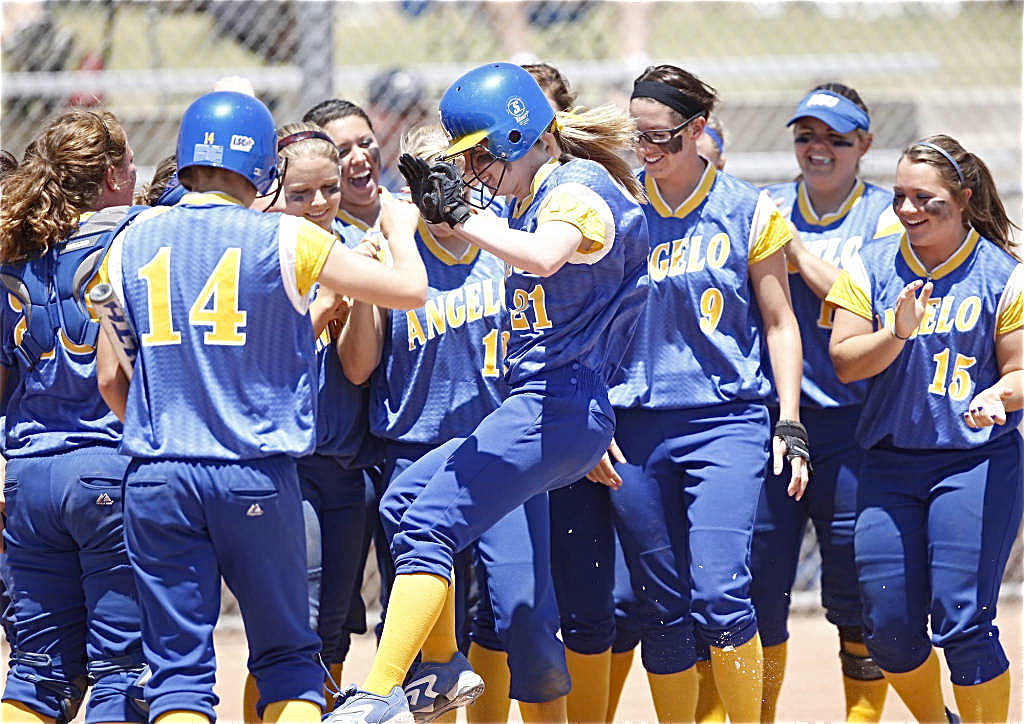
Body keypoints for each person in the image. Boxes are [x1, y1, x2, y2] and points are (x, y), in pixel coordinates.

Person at [326, 60, 649, 724]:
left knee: (429, 524)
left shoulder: (575, 189)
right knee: (408, 497)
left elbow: (542, 257)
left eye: (477, 156)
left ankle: (383, 687)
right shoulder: (534, 194)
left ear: (511, 137)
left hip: (558, 402)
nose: (470, 173)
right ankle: (441, 670)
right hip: (542, 405)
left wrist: (459, 211)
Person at [93, 90, 427, 724]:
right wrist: (399, 231)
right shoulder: (287, 238)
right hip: (254, 468)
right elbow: (408, 290)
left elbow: (119, 369)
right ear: (262, 170)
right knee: (288, 658)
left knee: (178, 674)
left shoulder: (127, 239)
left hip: (158, 472)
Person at [590, 64, 809, 724]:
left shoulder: (746, 210)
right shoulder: (619, 212)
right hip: (633, 427)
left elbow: (779, 321)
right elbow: (590, 328)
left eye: (658, 136)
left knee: (720, 592)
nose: (645, 149)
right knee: (660, 601)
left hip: (726, 422)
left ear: (698, 130)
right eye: (637, 136)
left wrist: (790, 420)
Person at [827, 134, 1022, 724]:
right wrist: (897, 332)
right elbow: (845, 360)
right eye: (900, 197)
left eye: (926, 199)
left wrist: (997, 396)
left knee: (963, 622)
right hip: (889, 463)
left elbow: (1019, 370)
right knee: (886, 632)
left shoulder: (1001, 273)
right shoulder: (872, 263)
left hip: (974, 461)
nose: (909, 210)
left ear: (963, 199)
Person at [743, 83, 902, 724]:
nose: (819, 148)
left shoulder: (890, 214)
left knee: (854, 588)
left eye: (837, 138)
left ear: (863, 144)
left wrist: (801, 254)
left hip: (855, 425)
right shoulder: (770, 205)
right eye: (807, 135)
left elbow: (865, 301)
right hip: (776, 421)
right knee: (760, 588)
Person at [0, 110, 146, 724]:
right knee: (123, 670)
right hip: (108, 467)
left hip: (28, 475)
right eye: (131, 162)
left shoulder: (13, 252)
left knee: (37, 670)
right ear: (113, 173)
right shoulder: (134, 235)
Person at [366, 68, 432, 193]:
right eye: (402, 114)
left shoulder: (433, 164)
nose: (412, 122)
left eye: (418, 112)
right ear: (374, 114)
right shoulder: (364, 172)